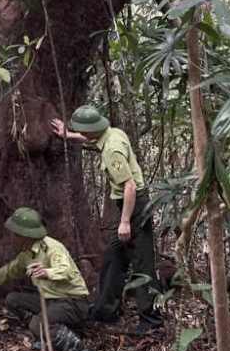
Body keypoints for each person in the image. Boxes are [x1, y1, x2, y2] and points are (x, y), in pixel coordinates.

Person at [51, 105, 164, 334]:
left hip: (135, 206)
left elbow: (130, 186)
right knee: (114, 257)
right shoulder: (111, 133)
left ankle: (151, 321)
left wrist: (124, 222)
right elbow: (91, 140)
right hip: (129, 205)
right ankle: (105, 310)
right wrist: (67, 134)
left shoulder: (112, 149)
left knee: (143, 262)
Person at [0, 207, 99, 351]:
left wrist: (47, 272)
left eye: (15, 234)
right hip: (51, 301)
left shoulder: (52, 247)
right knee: (13, 300)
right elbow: (7, 272)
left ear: (25, 235)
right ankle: (51, 335)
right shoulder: (26, 255)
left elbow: (65, 270)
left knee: (39, 323)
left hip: (73, 302)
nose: (13, 238)